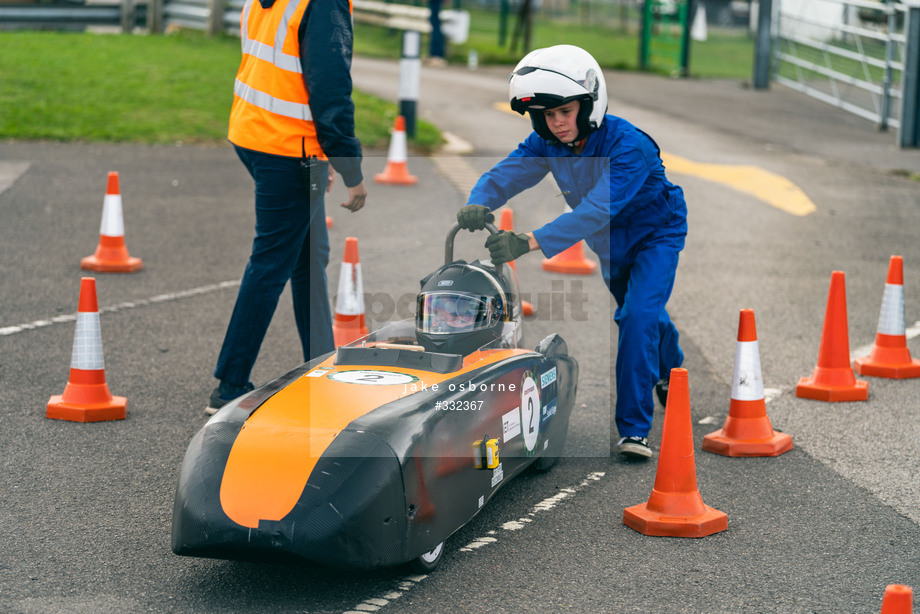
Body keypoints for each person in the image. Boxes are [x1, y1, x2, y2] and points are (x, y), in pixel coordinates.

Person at [455, 45, 688, 459]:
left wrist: (527, 242)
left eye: (565, 111)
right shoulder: (547, 143)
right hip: (610, 243)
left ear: (588, 103)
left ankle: (634, 430)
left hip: (657, 234)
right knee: (643, 314)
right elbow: (505, 174)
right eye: (547, 115)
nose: (557, 123)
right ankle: (671, 370)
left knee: (636, 317)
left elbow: (597, 210)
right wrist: (478, 201)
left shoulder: (628, 145)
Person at [207, 0, 368, 414]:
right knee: (272, 261)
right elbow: (330, 88)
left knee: (310, 255)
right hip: (287, 149)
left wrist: (319, 159)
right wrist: (350, 168)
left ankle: (322, 364)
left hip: (253, 133)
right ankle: (230, 384)